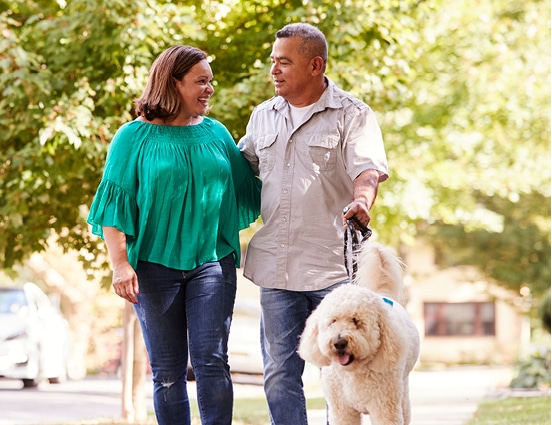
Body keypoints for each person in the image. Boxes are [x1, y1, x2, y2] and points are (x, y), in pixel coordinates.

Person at [87, 45, 261, 425]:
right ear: (173, 83)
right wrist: (120, 265)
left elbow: (253, 183)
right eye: (201, 81)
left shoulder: (216, 134)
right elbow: (114, 206)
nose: (209, 89)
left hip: (212, 263)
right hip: (152, 267)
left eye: (210, 82)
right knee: (167, 373)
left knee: (212, 361)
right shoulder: (132, 138)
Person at [237, 23, 389, 425]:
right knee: (278, 373)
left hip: (332, 268)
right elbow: (238, 170)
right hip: (276, 268)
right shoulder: (262, 116)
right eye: (273, 61)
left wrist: (361, 200)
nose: (274, 70)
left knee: (339, 374)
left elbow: (368, 169)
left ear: (314, 65)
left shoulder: (352, 114)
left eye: (284, 62)